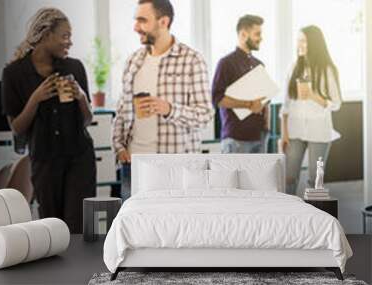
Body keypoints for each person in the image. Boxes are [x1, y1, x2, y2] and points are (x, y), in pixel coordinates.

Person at [1, 8, 96, 233]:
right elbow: (17, 128)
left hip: (79, 158)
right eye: (65, 36)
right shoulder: (14, 73)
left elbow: (87, 119)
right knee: (52, 227)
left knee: (78, 226)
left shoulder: (74, 67)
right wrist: (35, 99)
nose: (70, 42)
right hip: (44, 160)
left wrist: (81, 97)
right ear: (45, 35)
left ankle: (80, 269)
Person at [112, 0, 213, 201]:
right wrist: (119, 147)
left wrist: (169, 109)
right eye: (135, 20)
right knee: (134, 228)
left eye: (142, 20)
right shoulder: (133, 61)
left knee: (178, 228)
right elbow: (122, 110)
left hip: (175, 168)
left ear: (163, 21)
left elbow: (205, 115)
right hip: (135, 167)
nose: (135, 27)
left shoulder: (192, 60)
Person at [280, 25, 342, 195]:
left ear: (314, 43)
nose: (299, 44)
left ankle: (314, 218)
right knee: (289, 177)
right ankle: (289, 215)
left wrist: (314, 96)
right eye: (298, 40)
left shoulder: (328, 70)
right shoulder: (293, 68)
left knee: (315, 180)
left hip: (319, 131)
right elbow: (285, 105)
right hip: (294, 130)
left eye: (303, 41)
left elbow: (336, 103)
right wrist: (283, 134)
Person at [212, 14, 270, 154]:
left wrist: (266, 127)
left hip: (259, 137)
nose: (261, 38)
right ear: (243, 34)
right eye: (257, 34)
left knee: (258, 177)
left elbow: (265, 99)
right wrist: (249, 104)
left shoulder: (259, 65)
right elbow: (217, 99)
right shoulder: (226, 63)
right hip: (236, 138)